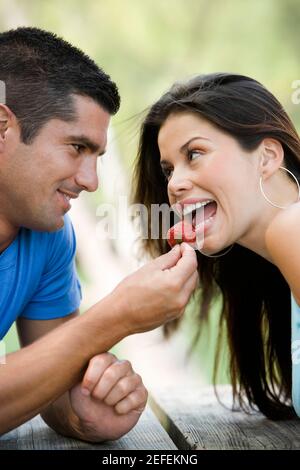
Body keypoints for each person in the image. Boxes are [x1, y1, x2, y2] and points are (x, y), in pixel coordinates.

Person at [0, 27, 198, 441]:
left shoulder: (49, 237)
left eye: (97, 156)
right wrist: (118, 315)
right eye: (76, 147)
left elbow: (50, 380)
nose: (90, 181)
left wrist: (83, 414)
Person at [133, 72, 300, 420]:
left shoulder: (292, 227)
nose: (175, 184)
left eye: (195, 153)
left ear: (267, 157)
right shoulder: (274, 261)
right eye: (168, 170)